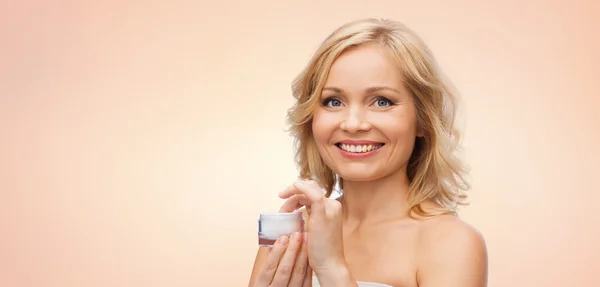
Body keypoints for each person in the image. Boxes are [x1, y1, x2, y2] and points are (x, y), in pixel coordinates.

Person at [248, 18, 488, 287]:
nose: (352, 124)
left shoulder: (452, 243)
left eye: (382, 102)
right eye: (333, 101)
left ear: (422, 120)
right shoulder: (291, 233)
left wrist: (332, 269)